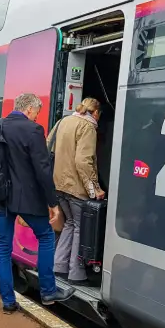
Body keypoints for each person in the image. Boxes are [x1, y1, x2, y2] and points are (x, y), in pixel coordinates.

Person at [0, 93, 76, 314]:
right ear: (29, 109)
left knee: (3, 247)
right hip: (27, 199)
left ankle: (8, 301)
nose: (36, 118)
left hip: (1, 198)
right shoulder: (33, 130)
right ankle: (48, 291)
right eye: (36, 113)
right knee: (46, 236)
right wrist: (52, 202)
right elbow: (43, 169)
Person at [47, 98, 105, 283]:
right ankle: (76, 273)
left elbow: (49, 145)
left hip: (59, 185)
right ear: (95, 113)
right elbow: (83, 161)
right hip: (76, 188)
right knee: (80, 227)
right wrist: (94, 188)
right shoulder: (88, 127)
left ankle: (58, 266)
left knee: (70, 224)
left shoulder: (63, 121)